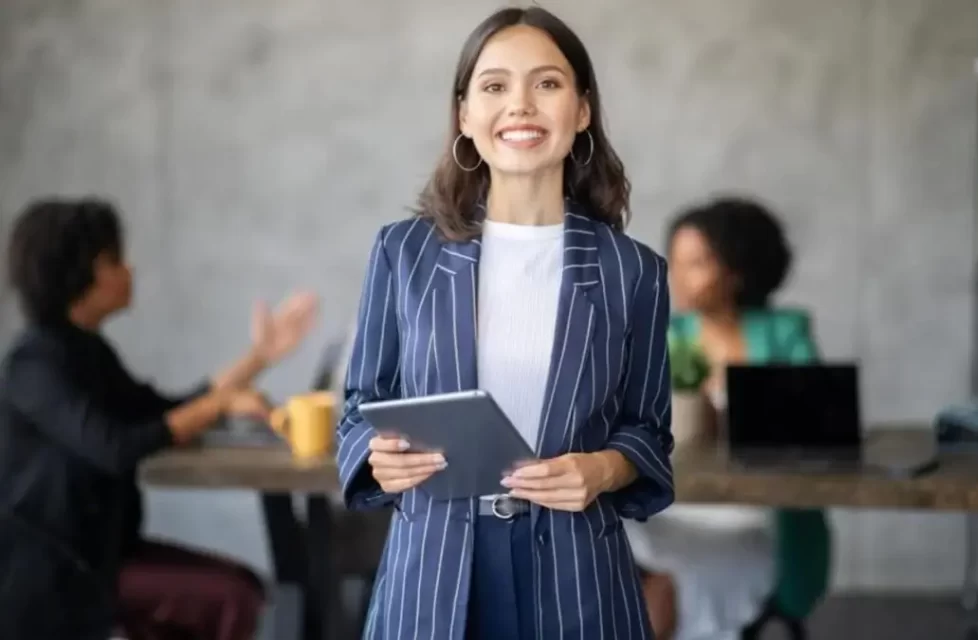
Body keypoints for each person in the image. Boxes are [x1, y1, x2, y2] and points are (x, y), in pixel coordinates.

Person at [335, 7, 674, 639]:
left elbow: (649, 431)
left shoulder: (635, 273)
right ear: (465, 115)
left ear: (582, 110)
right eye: (495, 87)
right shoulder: (403, 253)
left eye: (546, 84)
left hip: (579, 575)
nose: (520, 105)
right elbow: (360, 408)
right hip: (432, 571)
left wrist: (603, 469)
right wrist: (376, 458)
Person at [0, 197, 319, 640]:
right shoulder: (33, 364)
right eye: (114, 260)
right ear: (77, 273)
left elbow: (167, 411)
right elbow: (114, 447)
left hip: (105, 555)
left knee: (243, 588)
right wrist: (219, 405)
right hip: (60, 576)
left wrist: (259, 357)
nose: (130, 270)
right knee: (233, 598)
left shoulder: (87, 351)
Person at [627, 197, 831, 640]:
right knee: (631, 562)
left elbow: (816, 421)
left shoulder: (785, 332)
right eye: (675, 262)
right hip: (678, 505)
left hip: (759, 513)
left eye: (697, 263)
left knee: (665, 590)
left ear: (736, 272)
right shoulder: (665, 336)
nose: (678, 277)